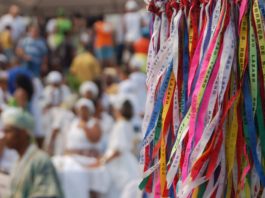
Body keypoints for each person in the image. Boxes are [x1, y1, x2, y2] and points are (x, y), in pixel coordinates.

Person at [1, 107, 63, 198]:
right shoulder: (18, 162)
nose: (4, 136)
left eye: (8, 131)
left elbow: (47, 194)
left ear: (22, 133)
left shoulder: (40, 160)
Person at [90, 95, 140, 197]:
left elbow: (118, 150)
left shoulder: (120, 125)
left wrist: (103, 161)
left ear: (118, 110)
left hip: (120, 164)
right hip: (127, 161)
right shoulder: (126, 123)